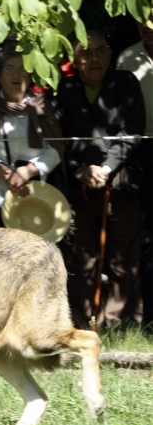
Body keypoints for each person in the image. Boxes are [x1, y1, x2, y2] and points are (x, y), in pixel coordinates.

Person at [52, 31, 146, 329]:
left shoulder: (126, 83)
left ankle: (116, 324)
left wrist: (106, 168)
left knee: (123, 257)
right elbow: (56, 141)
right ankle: (80, 322)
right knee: (81, 259)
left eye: (100, 51)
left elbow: (132, 131)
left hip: (121, 184)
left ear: (109, 54)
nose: (94, 59)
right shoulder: (64, 89)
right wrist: (80, 170)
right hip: (79, 188)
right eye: (86, 52)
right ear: (75, 60)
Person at [0, 44, 62, 235]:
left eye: (23, 68)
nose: (17, 75)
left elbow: (56, 149)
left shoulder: (41, 108)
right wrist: (5, 174)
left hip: (33, 200)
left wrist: (28, 171)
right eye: (10, 69)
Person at [117, 18, 153, 326]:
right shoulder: (128, 58)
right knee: (144, 234)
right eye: (143, 23)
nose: (147, 28)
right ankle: (146, 314)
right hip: (139, 150)